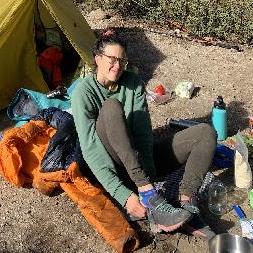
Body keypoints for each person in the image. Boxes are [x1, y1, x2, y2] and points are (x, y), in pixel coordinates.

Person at [70, 28, 217, 239]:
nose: (117, 65)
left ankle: (187, 205)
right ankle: (149, 197)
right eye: (111, 59)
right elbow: (91, 150)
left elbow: (142, 133)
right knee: (112, 107)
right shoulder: (83, 93)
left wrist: (149, 175)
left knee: (205, 133)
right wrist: (124, 195)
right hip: (114, 167)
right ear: (97, 58)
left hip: (140, 163)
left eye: (122, 60)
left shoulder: (133, 83)